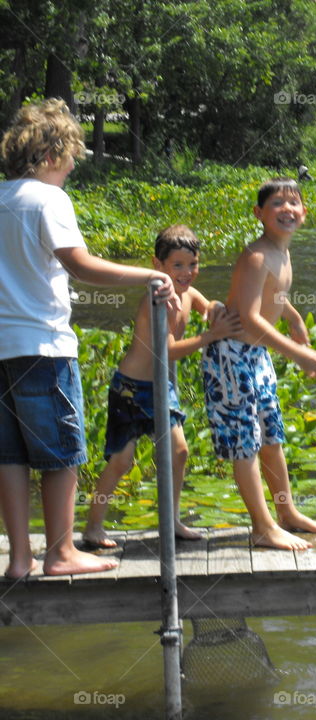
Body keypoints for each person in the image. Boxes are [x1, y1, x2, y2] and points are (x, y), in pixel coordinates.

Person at [0, 98, 179, 578]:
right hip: (42, 347)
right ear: (52, 153)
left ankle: (20, 559)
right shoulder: (48, 198)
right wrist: (148, 276)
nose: (76, 163)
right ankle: (60, 553)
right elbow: (79, 265)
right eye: (73, 153)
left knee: (10, 455)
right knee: (59, 453)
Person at [82, 224, 242, 548]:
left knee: (179, 451)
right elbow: (166, 349)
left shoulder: (188, 293)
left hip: (161, 387)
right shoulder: (158, 301)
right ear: (158, 266)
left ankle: (171, 520)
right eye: (177, 266)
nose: (186, 273)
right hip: (131, 388)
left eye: (192, 264)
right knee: (122, 461)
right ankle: (93, 526)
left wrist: (216, 310)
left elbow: (204, 304)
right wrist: (210, 336)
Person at [202, 177, 316, 550]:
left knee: (271, 438)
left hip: (255, 357)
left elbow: (274, 296)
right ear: (259, 213)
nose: (287, 209)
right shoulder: (256, 255)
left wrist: (293, 318)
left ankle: (286, 513)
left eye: (294, 203)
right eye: (277, 203)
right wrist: (297, 352)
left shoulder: (282, 252)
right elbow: (251, 316)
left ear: (304, 213)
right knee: (246, 444)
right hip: (231, 358)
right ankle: (262, 526)